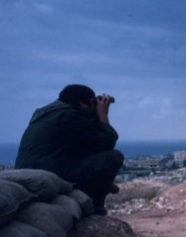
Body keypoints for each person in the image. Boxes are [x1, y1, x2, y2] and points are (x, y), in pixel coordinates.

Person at [15, 84, 124, 215]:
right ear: (82, 103)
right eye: (92, 102)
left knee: (88, 151)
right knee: (114, 157)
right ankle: (96, 205)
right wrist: (102, 115)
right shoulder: (68, 116)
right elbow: (108, 141)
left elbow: (91, 144)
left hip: (29, 170)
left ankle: (102, 186)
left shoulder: (48, 112)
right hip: (48, 172)